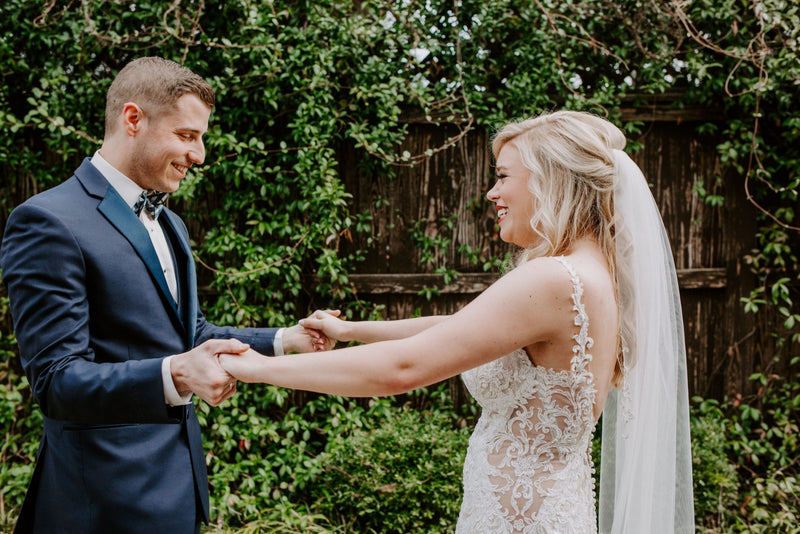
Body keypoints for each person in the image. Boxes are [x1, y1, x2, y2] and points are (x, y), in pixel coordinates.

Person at [219, 110, 695, 532]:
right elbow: (461, 326)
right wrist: (351, 331)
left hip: (519, 523)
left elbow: (402, 369)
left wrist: (256, 368)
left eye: (504, 176)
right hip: (541, 513)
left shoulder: (556, 278)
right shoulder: (591, 274)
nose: (492, 192)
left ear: (550, 179)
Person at [0, 57, 329, 534]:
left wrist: (286, 339)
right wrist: (176, 372)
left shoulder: (170, 222)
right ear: (133, 119)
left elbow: (185, 333)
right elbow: (58, 381)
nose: (199, 155)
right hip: (100, 506)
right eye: (186, 136)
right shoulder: (47, 222)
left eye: (201, 138)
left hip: (176, 492)